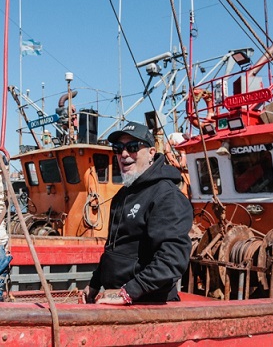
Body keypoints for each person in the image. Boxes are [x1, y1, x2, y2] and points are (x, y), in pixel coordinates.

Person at [82, 121, 193, 305]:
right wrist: (94, 285)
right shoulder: (122, 195)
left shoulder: (166, 195)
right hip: (120, 299)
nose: (124, 154)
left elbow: (172, 259)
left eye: (133, 147)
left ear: (151, 153)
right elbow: (114, 248)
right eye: (118, 148)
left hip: (148, 304)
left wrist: (129, 292)